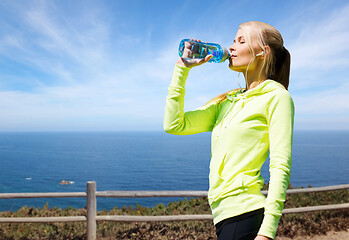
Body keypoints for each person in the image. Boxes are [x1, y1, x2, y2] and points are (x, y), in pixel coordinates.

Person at [164, 21, 294, 240]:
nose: (232, 47)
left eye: (241, 41)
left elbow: (280, 165)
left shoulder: (276, 97)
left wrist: (267, 232)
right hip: (224, 216)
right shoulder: (227, 101)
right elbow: (174, 124)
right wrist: (182, 69)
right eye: (233, 41)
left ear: (263, 52)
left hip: (245, 214)